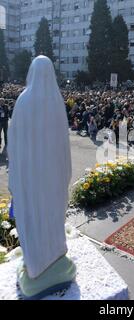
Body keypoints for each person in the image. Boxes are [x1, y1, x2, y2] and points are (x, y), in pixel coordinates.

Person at [7, 55, 76, 298]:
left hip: (30, 177)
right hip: (52, 176)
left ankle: (36, 263)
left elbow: (13, 141)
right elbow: (64, 145)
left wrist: (15, 174)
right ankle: (53, 257)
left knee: (33, 217)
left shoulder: (24, 101)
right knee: (51, 216)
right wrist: (64, 172)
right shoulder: (56, 101)